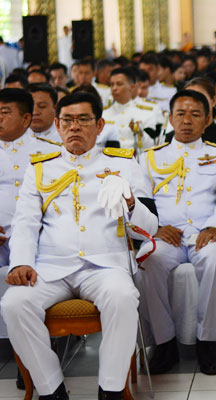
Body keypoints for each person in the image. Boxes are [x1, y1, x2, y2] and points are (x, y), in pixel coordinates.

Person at [1, 91, 158, 400]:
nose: (74, 127)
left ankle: (111, 389)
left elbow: (149, 228)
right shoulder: (41, 167)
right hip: (51, 266)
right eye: (67, 121)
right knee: (13, 304)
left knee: (123, 297)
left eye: (83, 120)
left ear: (99, 125)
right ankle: (51, 389)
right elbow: (26, 222)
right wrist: (21, 262)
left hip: (105, 265)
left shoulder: (124, 164)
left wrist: (129, 202)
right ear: (57, 126)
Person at [139, 90, 216, 375]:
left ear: (207, 120)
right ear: (169, 118)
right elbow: (143, 202)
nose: (186, 121)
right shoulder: (149, 158)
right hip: (166, 235)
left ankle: (207, 340)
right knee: (147, 260)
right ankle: (164, 341)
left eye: (195, 114)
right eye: (180, 114)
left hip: (206, 233)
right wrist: (155, 228)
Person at [0, 88, 62, 340]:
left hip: (40, 236)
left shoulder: (53, 153)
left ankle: (37, 341)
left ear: (26, 119)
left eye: (4, 113)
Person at [102, 67, 157, 150]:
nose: (114, 88)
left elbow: (151, 146)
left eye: (119, 84)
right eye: (112, 84)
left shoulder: (146, 113)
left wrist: (139, 133)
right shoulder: (103, 114)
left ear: (131, 87)